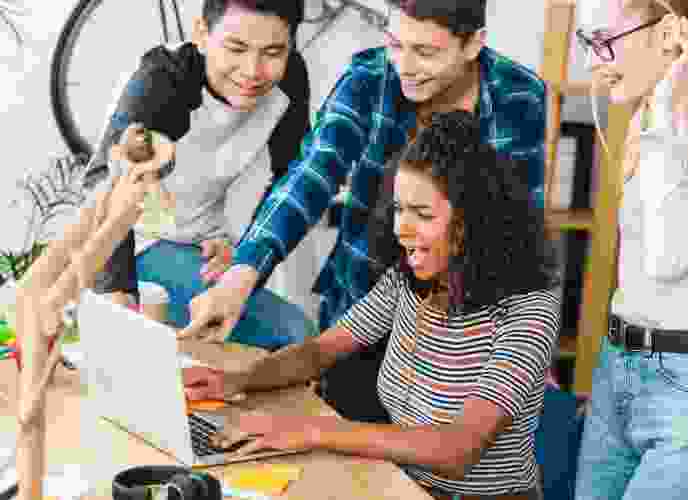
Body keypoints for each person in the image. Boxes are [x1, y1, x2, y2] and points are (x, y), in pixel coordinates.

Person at [179, 0, 548, 424]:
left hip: (464, 326)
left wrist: (524, 344)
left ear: (473, 45)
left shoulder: (517, 96)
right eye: (395, 44)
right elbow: (311, 175)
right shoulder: (370, 77)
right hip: (360, 303)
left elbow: (517, 224)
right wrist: (240, 277)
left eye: (425, 52)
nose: (404, 66)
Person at [182, 111, 561, 500]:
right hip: (401, 487)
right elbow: (320, 352)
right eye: (399, 209)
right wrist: (237, 380)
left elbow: (458, 448)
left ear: (472, 221)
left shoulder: (527, 310)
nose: (402, 229)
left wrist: (309, 430)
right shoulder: (408, 282)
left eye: (423, 214)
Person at [573, 1, 688, 499]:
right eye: (590, 42)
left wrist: (667, 120)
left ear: (671, 34)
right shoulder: (646, 116)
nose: (594, 62)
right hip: (619, 369)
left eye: (606, 40)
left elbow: (667, 257)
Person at [81, 0, 319, 350]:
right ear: (202, 35)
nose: (252, 70)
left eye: (273, 51)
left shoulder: (290, 80)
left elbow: (290, 182)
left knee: (295, 345)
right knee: (293, 336)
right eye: (236, 48)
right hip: (137, 243)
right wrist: (119, 297)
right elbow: (103, 180)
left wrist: (245, 256)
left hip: (204, 247)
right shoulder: (163, 79)